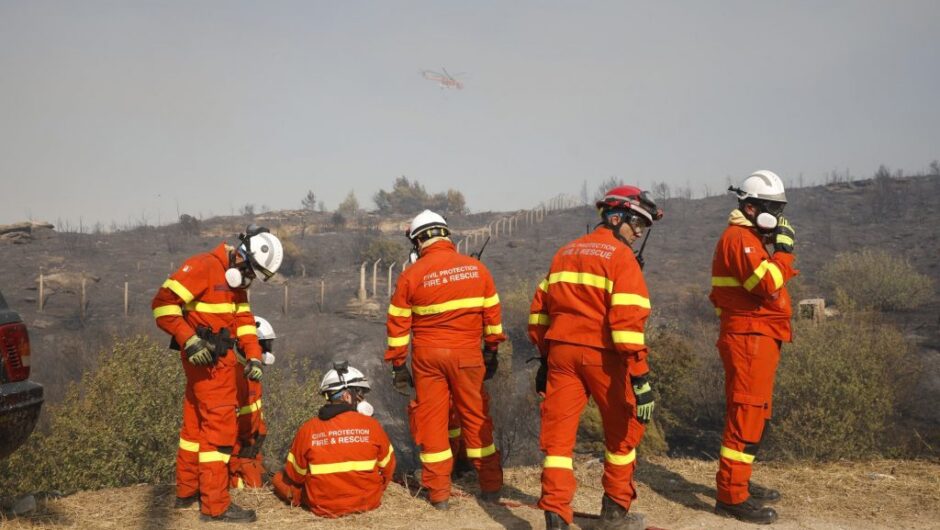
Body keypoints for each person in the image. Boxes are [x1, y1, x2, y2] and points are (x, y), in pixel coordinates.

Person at [528, 186, 662, 530]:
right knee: (623, 430)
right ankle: (615, 513)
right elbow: (627, 325)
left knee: (557, 441)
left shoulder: (564, 252)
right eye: (637, 226)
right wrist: (641, 377)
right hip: (605, 357)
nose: (638, 234)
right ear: (616, 218)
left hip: (561, 355)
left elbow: (539, 312)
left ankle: (555, 519)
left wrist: (545, 358)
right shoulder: (621, 258)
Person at [152, 225, 283, 523]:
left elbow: (245, 323)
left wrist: (253, 357)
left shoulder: (234, 282)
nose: (249, 280)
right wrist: (188, 338)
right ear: (242, 255)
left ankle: (188, 493)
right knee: (220, 434)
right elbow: (162, 305)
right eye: (250, 272)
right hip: (209, 363)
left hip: (218, 362)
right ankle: (215, 507)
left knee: (194, 428)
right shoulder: (203, 266)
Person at [385, 210, 505, 509]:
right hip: (467, 355)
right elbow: (492, 317)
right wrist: (491, 351)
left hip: (427, 359)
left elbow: (398, 325)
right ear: (445, 234)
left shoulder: (411, 275)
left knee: (433, 424)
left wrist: (399, 365)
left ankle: (439, 494)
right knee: (476, 419)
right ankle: (490, 487)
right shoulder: (477, 269)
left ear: (419, 241)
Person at [710, 170, 798, 525]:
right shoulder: (740, 239)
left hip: (759, 335)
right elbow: (766, 284)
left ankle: (740, 482)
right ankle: (731, 496)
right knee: (745, 412)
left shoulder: (751, 239)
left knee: (756, 411)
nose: (777, 217)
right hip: (749, 336)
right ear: (750, 207)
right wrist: (785, 253)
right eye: (771, 208)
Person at [271, 362, 396, 517]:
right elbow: (388, 469)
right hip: (368, 501)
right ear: (346, 395)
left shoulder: (308, 429)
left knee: (279, 478)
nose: (362, 399)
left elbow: (295, 475)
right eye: (359, 394)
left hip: (323, 506)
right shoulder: (372, 425)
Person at [229, 315, 277, 490]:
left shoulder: (251, 374)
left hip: (250, 452)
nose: (267, 352)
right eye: (264, 346)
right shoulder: (235, 376)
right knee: (254, 486)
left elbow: (255, 417)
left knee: (270, 481)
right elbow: (227, 430)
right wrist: (235, 463)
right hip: (237, 456)